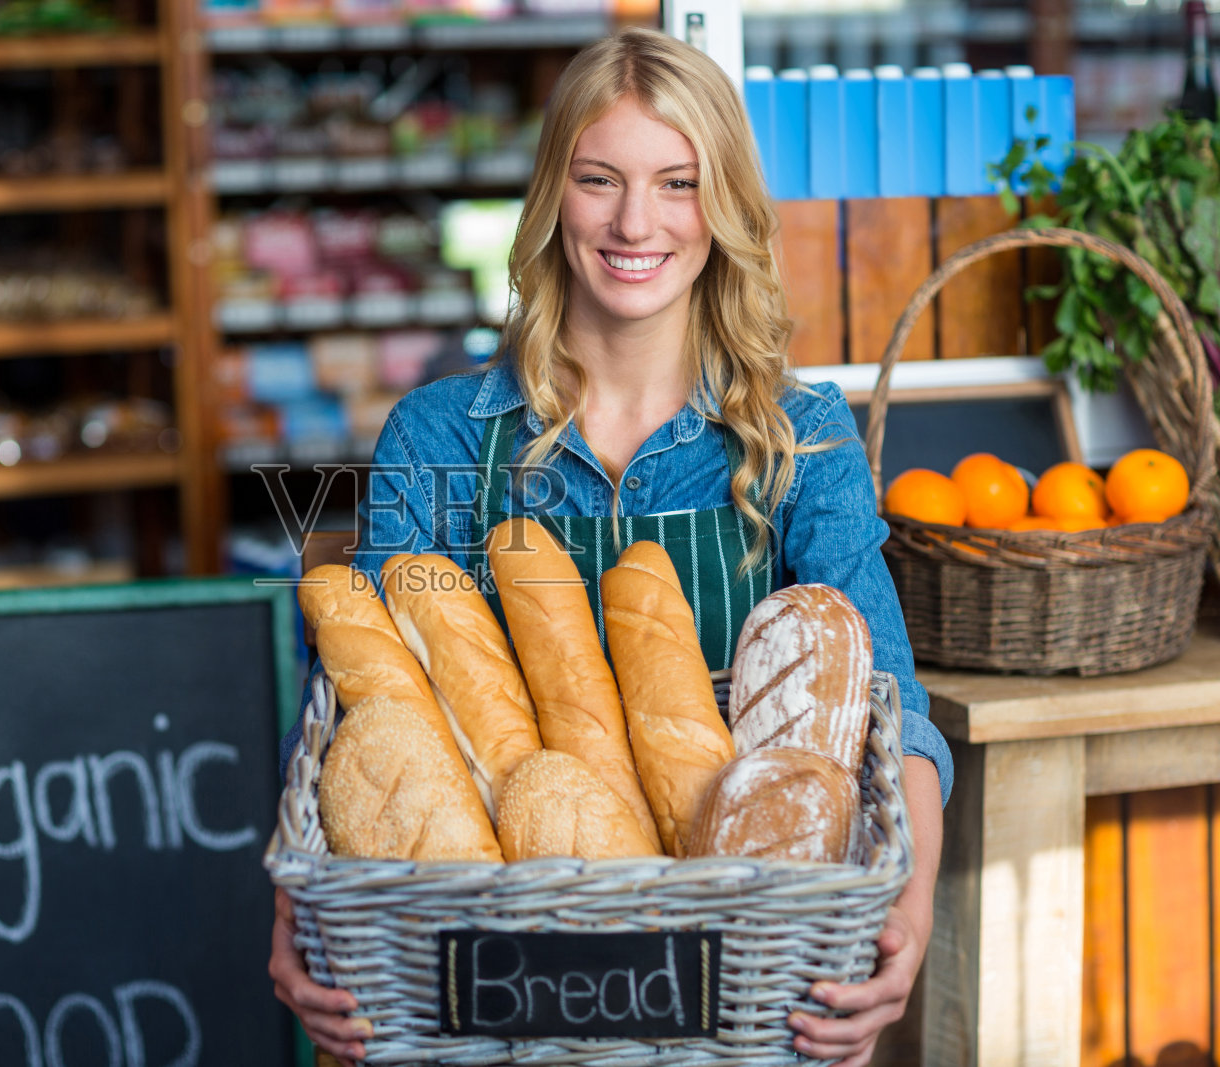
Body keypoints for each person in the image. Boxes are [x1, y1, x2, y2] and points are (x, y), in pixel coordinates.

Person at [269, 26, 950, 1067]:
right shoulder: (442, 434)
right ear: (552, 198)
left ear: (722, 209)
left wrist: (906, 909)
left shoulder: (799, 438)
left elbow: (889, 713)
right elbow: (356, 721)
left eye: (677, 183)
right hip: (484, 988)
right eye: (599, 179)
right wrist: (301, 904)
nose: (637, 221)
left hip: (733, 985)